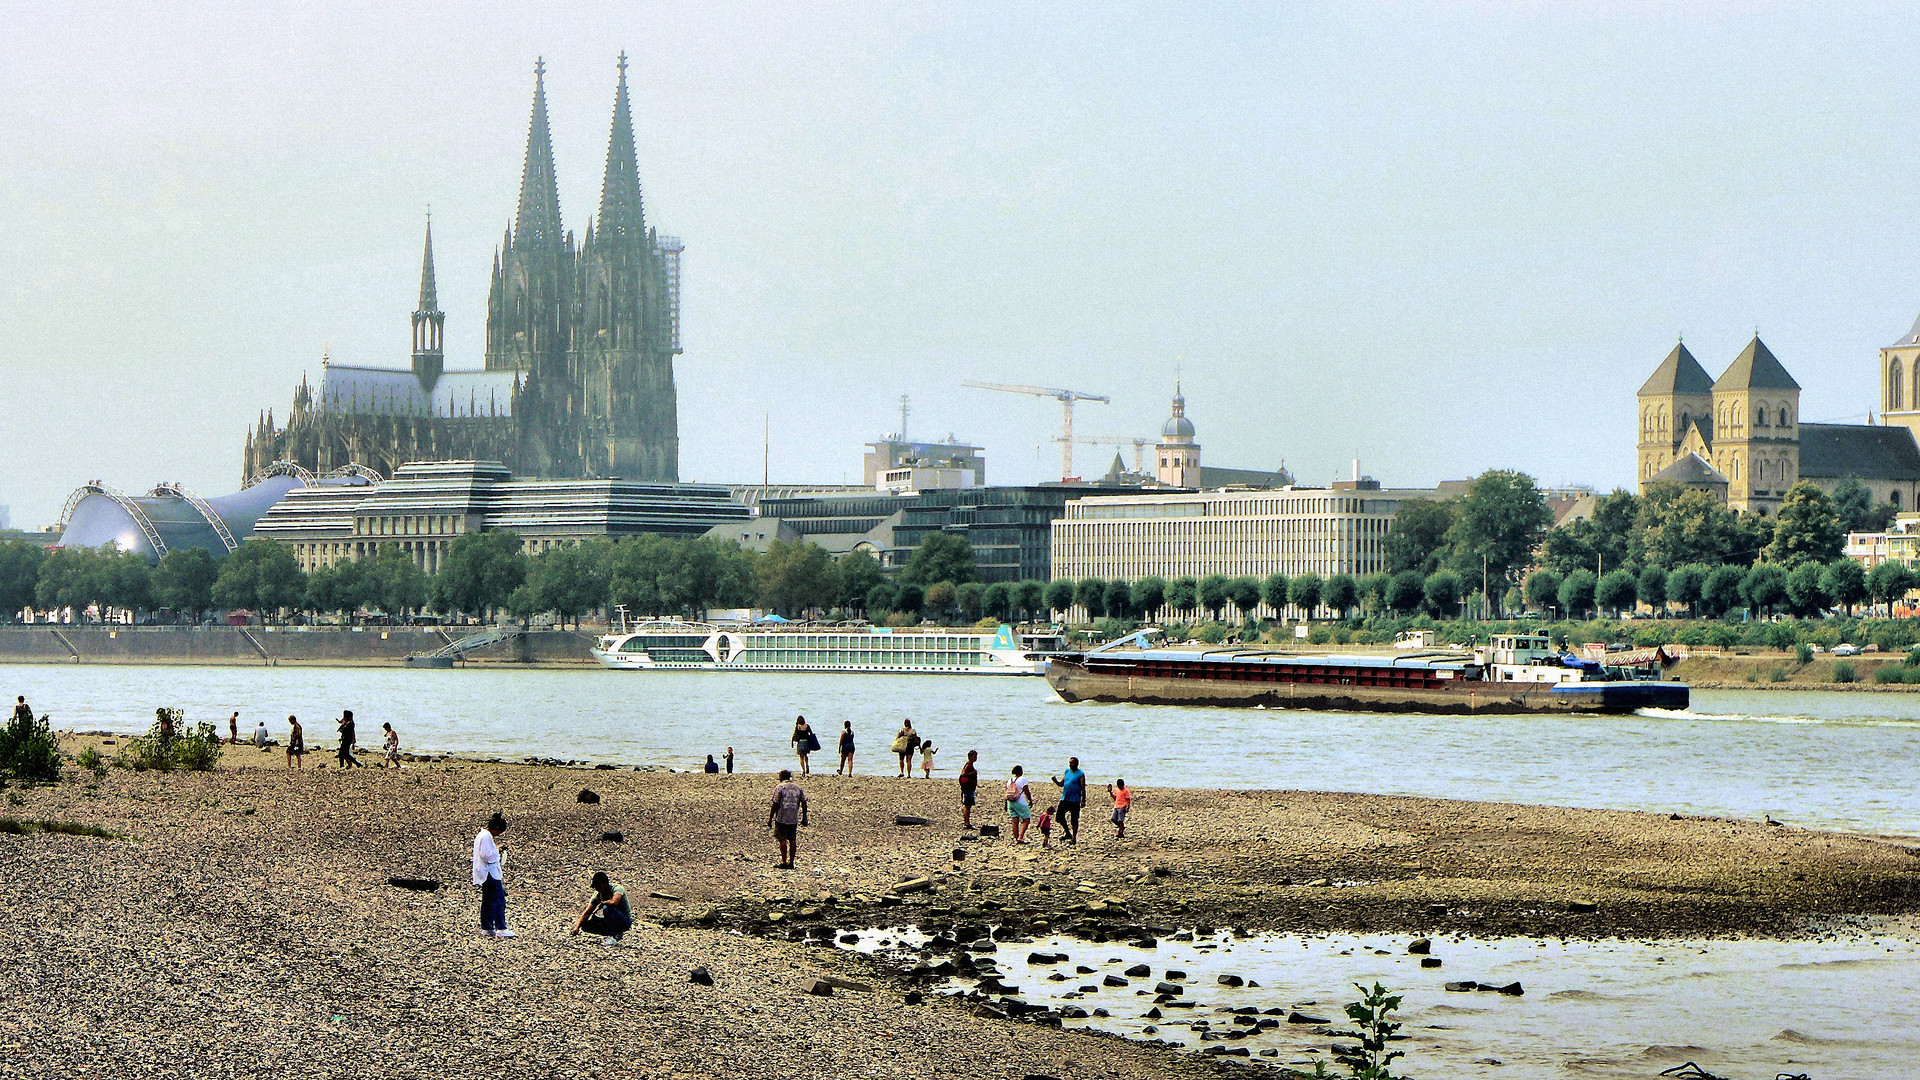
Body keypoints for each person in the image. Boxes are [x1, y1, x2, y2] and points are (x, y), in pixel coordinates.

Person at [472, 812, 513, 938]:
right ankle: (501, 928)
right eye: (499, 832)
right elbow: (486, 855)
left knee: (488, 901)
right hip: (489, 872)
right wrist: (497, 851)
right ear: (496, 829)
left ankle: (487, 927)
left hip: (483, 872)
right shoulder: (486, 836)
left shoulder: (482, 835)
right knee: (498, 899)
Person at [570, 871, 632, 946]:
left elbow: (613, 902)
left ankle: (612, 937)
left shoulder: (617, 889)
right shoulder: (597, 894)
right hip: (612, 921)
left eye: (598, 886)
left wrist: (603, 903)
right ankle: (614, 933)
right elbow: (587, 912)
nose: (597, 889)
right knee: (586, 925)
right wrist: (577, 927)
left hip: (625, 921)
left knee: (607, 908)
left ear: (605, 883)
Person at [767, 769, 809, 869]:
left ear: (782, 777)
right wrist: (804, 817)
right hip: (793, 817)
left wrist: (770, 818)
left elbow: (775, 803)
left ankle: (784, 862)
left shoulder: (780, 787)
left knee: (782, 839)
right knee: (792, 839)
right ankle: (791, 862)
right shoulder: (798, 788)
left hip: (782, 816)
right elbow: (804, 803)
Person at [1051, 757, 1087, 845]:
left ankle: (1074, 838)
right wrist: (1056, 781)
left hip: (1075, 800)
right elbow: (1062, 784)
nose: (1070, 764)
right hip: (1065, 798)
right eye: (1070, 763)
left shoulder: (1080, 774)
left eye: (1072, 763)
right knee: (1059, 817)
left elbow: (1083, 788)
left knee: (1074, 820)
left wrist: (1083, 800)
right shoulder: (1067, 771)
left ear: (1077, 764)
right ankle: (1067, 833)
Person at [1005, 765, 1033, 843]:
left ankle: (1016, 838)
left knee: (1015, 820)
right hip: (1020, 802)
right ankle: (1020, 837)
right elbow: (1026, 791)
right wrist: (1030, 800)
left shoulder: (1009, 780)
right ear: (1021, 771)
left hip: (1010, 802)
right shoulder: (1022, 780)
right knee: (1026, 819)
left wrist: (1005, 804)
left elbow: (1006, 792)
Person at [958, 750, 980, 827]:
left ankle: (967, 822)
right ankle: (966, 822)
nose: (976, 758)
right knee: (967, 805)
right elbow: (963, 773)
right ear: (970, 757)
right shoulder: (968, 765)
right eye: (975, 756)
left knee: (968, 805)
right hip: (968, 787)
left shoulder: (969, 764)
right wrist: (973, 773)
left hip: (969, 787)